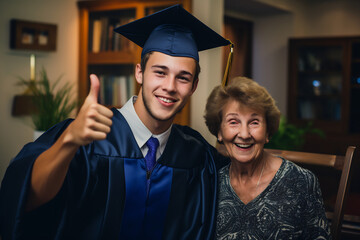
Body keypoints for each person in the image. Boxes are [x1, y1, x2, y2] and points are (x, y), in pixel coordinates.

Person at [0, 5, 231, 240]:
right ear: (139, 73)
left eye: (183, 77)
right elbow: (27, 199)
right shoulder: (87, 136)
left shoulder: (197, 153)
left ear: (193, 86)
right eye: (160, 72)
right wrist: (69, 142)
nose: (170, 86)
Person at [204, 77, 331, 239]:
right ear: (219, 132)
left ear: (268, 131)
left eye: (254, 122)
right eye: (233, 122)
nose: (244, 134)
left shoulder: (301, 181)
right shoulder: (210, 184)